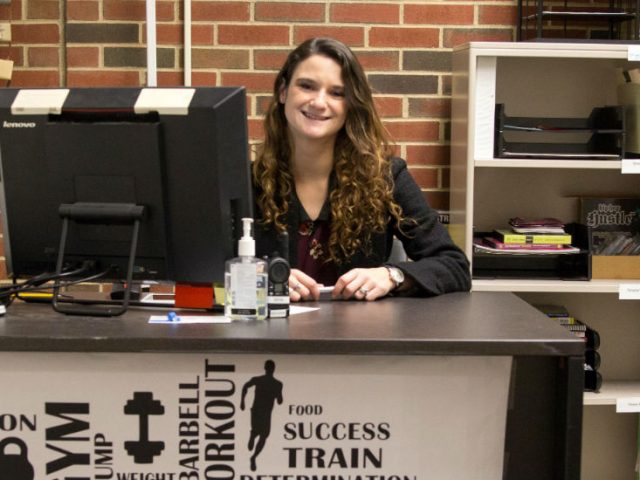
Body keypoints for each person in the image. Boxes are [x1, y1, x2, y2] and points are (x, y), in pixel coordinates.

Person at [253, 37, 470, 302]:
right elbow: (204, 267)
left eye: (337, 93)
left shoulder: (386, 177)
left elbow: (455, 266)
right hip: (272, 337)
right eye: (307, 86)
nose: (319, 102)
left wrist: (392, 276)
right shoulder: (250, 181)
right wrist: (259, 276)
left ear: (350, 105)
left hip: (360, 337)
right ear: (283, 91)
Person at [240, 360, 284, 471]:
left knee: (261, 433)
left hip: (260, 412)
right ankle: (253, 443)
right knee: (263, 435)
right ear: (273, 369)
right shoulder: (276, 384)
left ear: (265, 368)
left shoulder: (262, 381)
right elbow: (279, 401)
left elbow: (245, 386)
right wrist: (242, 401)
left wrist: (242, 401)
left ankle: (253, 438)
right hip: (262, 412)